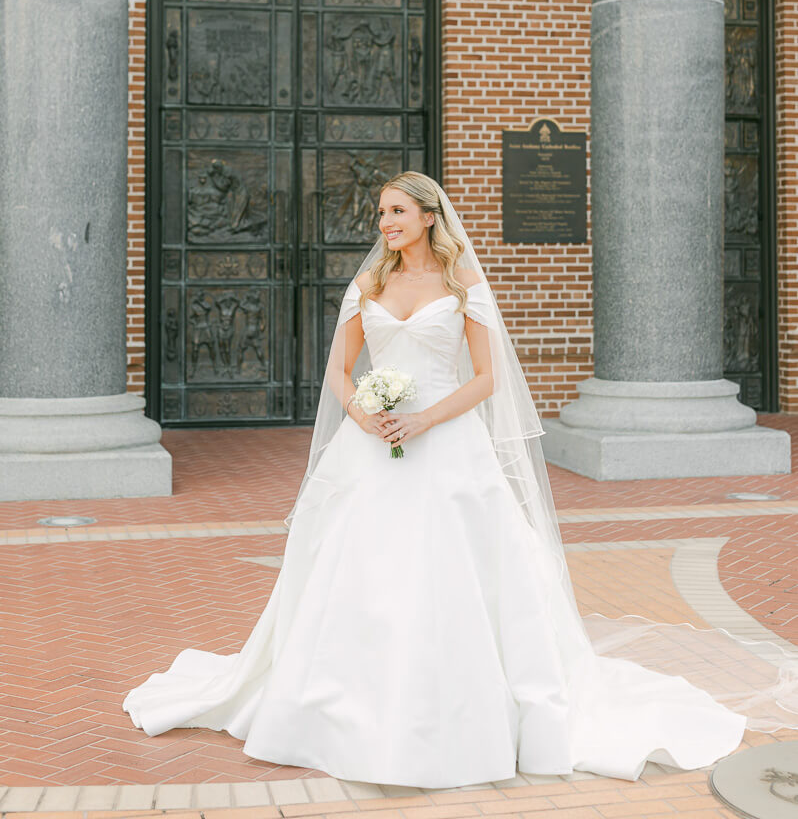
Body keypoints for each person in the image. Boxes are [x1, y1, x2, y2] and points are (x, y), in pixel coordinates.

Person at [122, 172, 798, 788]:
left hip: (449, 449)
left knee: (455, 570)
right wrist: (364, 414)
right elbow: (338, 369)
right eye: (379, 213)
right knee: (360, 573)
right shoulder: (370, 287)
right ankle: (339, 705)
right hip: (371, 447)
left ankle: (465, 712)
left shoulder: (461, 286)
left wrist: (421, 423)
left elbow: (485, 380)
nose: (383, 223)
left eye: (394, 211)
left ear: (426, 215)